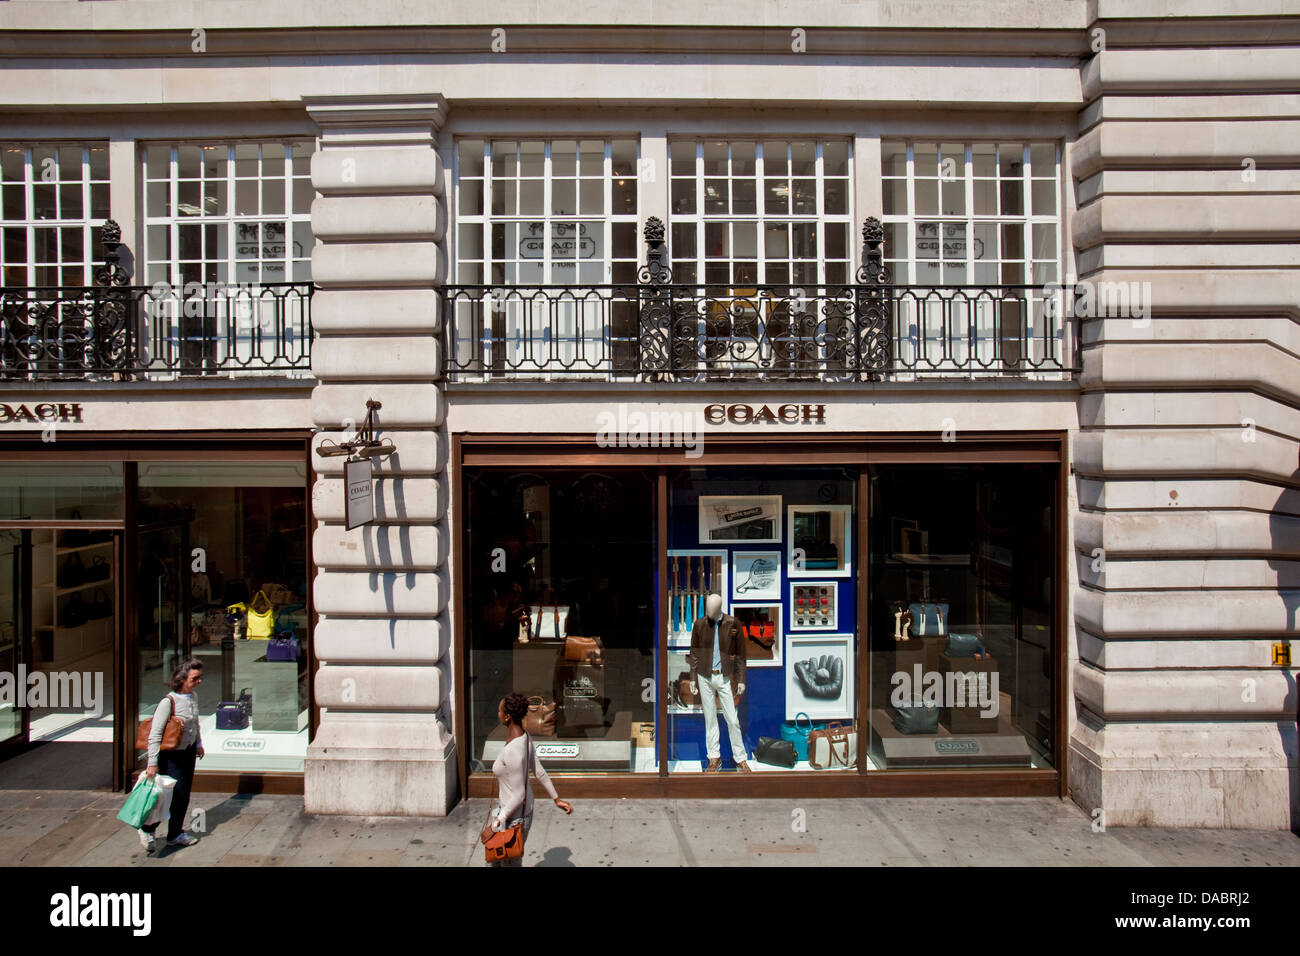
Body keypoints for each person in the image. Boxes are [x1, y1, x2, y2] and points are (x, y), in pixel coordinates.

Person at [480, 692, 573, 867]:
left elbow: (519, 794)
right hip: (514, 813)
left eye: (499, 710)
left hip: (513, 818)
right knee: (495, 863)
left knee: (508, 864)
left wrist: (496, 823)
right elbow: (539, 771)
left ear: (507, 717)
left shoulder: (514, 749)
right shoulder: (524, 737)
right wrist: (556, 798)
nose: (497, 713)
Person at [139, 658, 205, 853]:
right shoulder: (168, 702)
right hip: (171, 756)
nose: (199, 681)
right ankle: (147, 829)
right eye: (195, 678)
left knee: (182, 795)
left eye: (200, 677)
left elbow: (195, 722)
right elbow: (155, 734)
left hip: (188, 752)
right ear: (182, 679)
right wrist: (152, 763)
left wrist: (199, 743)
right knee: (166, 796)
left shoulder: (193, 697)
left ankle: (175, 834)